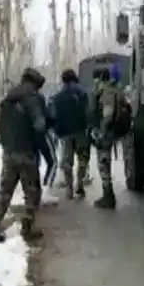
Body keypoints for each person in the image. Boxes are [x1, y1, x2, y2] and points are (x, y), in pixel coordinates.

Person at [0, 67, 48, 243]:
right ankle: (27, 228)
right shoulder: (32, 98)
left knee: (5, 191)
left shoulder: (8, 98)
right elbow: (40, 126)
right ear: (34, 83)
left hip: (9, 152)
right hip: (26, 152)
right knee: (32, 191)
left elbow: (1, 125)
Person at [50, 69, 90, 199]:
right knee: (83, 159)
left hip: (65, 133)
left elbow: (54, 116)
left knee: (68, 161)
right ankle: (80, 183)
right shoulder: (82, 93)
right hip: (81, 132)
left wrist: (58, 131)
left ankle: (69, 188)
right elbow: (88, 112)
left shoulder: (58, 96)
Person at [88, 64, 120, 209]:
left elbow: (108, 114)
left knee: (104, 164)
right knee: (103, 165)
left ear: (101, 78)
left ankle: (108, 196)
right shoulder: (107, 90)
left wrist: (101, 133)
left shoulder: (107, 92)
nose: (94, 81)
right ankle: (108, 194)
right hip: (105, 133)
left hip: (105, 134)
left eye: (96, 78)